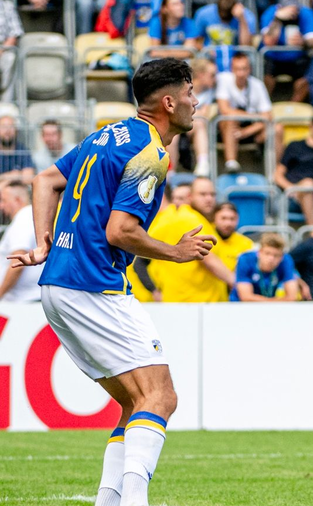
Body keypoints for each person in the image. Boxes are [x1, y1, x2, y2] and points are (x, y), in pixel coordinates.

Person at [10, 59, 209, 506]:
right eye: (191, 93)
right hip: (93, 282)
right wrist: (175, 252)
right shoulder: (152, 153)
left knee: (135, 402)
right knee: (160, 396)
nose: (197, 103)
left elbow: (45, 180)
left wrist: (43, 243)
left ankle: (110, 500)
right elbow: (120, 232)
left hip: (58, 281)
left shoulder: (107, 135)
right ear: (169, 101)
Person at [148, 178, 237, 302]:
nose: (209, 199)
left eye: (212, 194)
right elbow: (209, 260)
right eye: (202, 194)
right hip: (190, 300)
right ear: (190, 197)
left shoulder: (197, 218)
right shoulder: (189, 218)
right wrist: (237, 283)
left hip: (195, 300)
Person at [216, 53, 272, 173]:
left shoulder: (258, 85)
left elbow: (267, 116)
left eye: (244, 69)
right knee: (230, 118)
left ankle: (273, 170)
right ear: (232, 69)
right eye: (238, 69)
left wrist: (245, 132)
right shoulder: (224, 80)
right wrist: (254, 116)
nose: (241, 73)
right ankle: (231, 163)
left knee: (276, 128)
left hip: (251, 128)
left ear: (249, 69)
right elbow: (224, 109)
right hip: (229, 127)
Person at [261, 0, 313, 101]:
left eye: (295, 11)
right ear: (280, 8)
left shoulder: (306, 13)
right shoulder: (270, 14)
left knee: (306, 78)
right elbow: (268, 41)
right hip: (273, 57)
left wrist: (303, 42)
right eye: (289, 11)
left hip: (298, 57)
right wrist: (277, 19)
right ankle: (265, 105)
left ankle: (294, 107)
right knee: (267, 78)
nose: (293, 14)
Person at [0, 182, 41, 302]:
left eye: (3, 200)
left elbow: (17, 262)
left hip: (23, 301)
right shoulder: (30, 216)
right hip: (27, 299)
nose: (1, 206)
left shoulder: (24, 217)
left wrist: (1, 293)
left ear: (17, 200)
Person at [194, 0, 258, 70]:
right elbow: (196, 41)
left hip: (236, 55)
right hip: (210, 55)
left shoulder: (247, 16)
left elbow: (246, 45)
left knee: (250, 59)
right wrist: (206, 50)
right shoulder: (203, 14)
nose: (224, 21)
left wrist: (242, 19)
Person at [234, 233, 301, 301]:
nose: (271, 259)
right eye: (267, 253)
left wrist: (269, 303)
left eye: (276, 255)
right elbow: (246, 297)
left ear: (281, 256)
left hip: (269, 305)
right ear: (259, 252)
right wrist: (272, 302)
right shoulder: (245, 259)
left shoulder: (286, 260)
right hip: (240, 305)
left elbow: (292, 296)